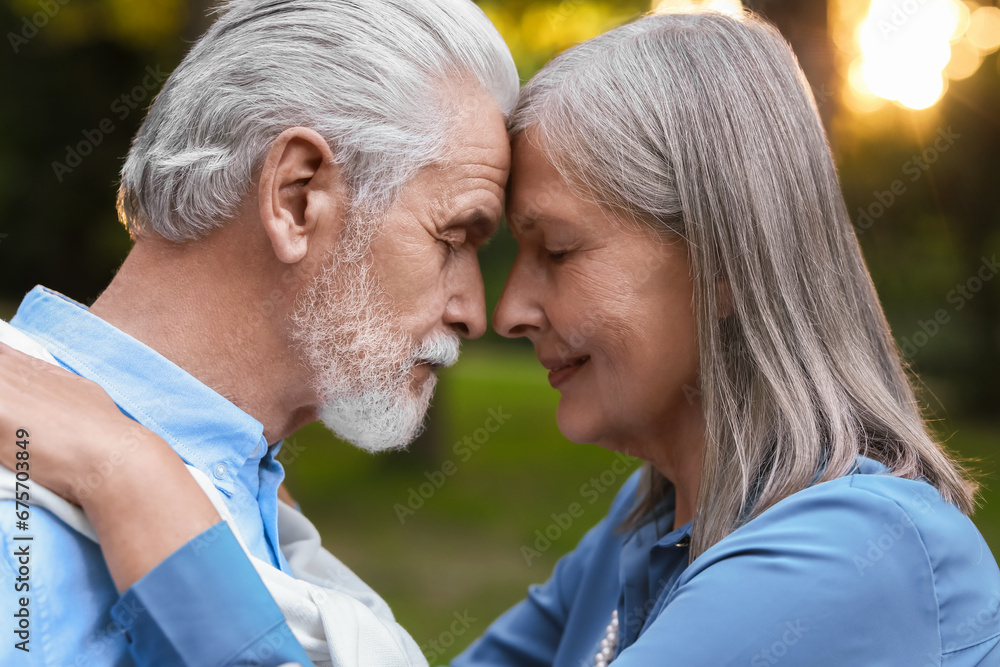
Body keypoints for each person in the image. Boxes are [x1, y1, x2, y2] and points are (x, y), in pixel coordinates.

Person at [2, 6, 999, 666]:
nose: (497, 312)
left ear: (723, 264)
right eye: (460, 238)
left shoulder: (854, 556)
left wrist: (129, 470)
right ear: (300, 196)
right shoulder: (641, 541)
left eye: (552, 250)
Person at [0, 0, 518, 665]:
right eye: (453, 236)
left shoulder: (247, 493)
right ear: (297, 197)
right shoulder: (24, 534)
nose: (475, 311)